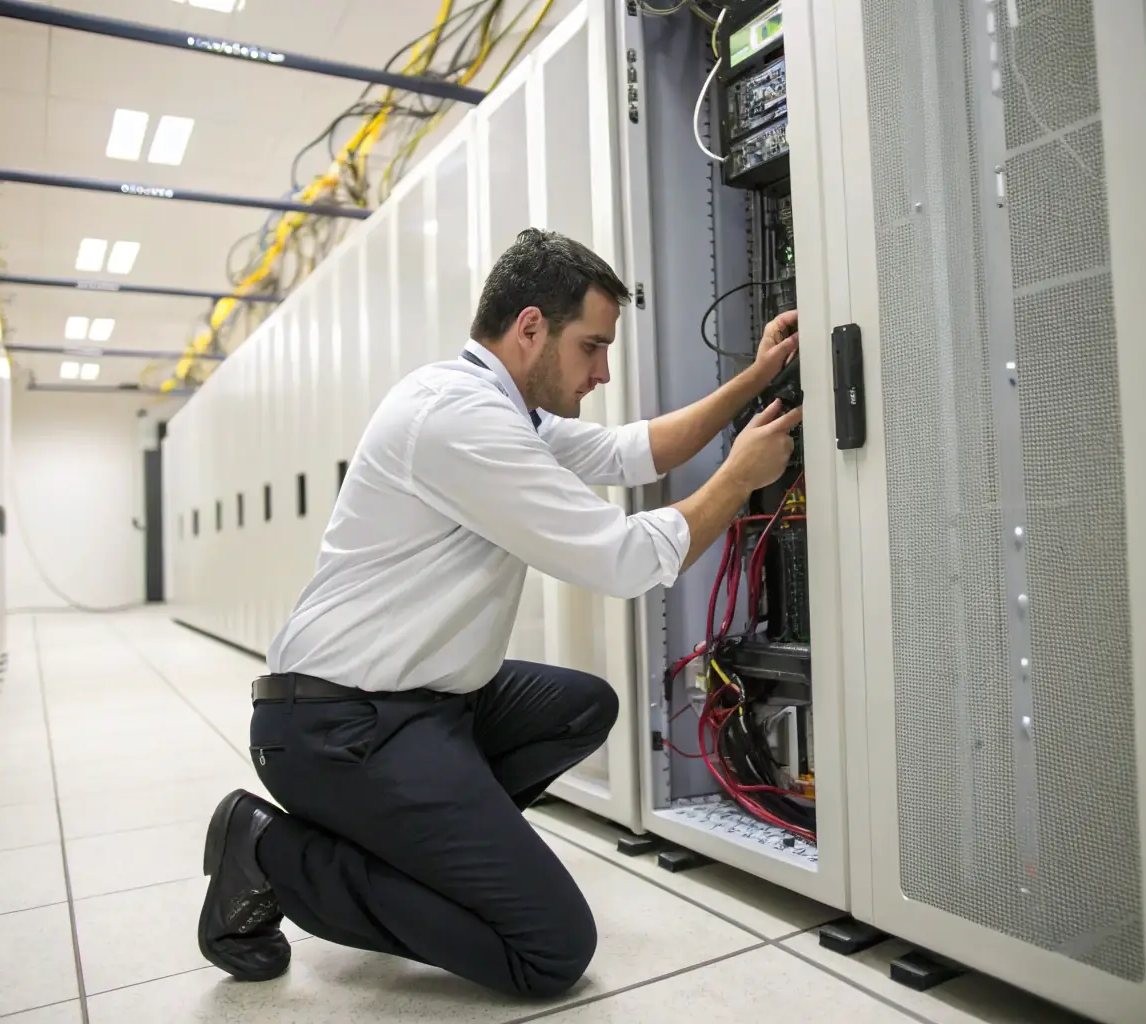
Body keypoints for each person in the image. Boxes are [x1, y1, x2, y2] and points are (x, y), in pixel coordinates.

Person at [197, 228, 803, 998]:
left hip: (419, 707)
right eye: (590, 346)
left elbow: (630, 453)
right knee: (547, 951)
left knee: (578, 707)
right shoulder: (459, 418)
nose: (601, 371)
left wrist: (754, 381)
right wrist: (739, 478)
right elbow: (621, 560)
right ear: (528, 328)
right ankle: (270, 853)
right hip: (337, 728)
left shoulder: (503, 407)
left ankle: (414, 858)